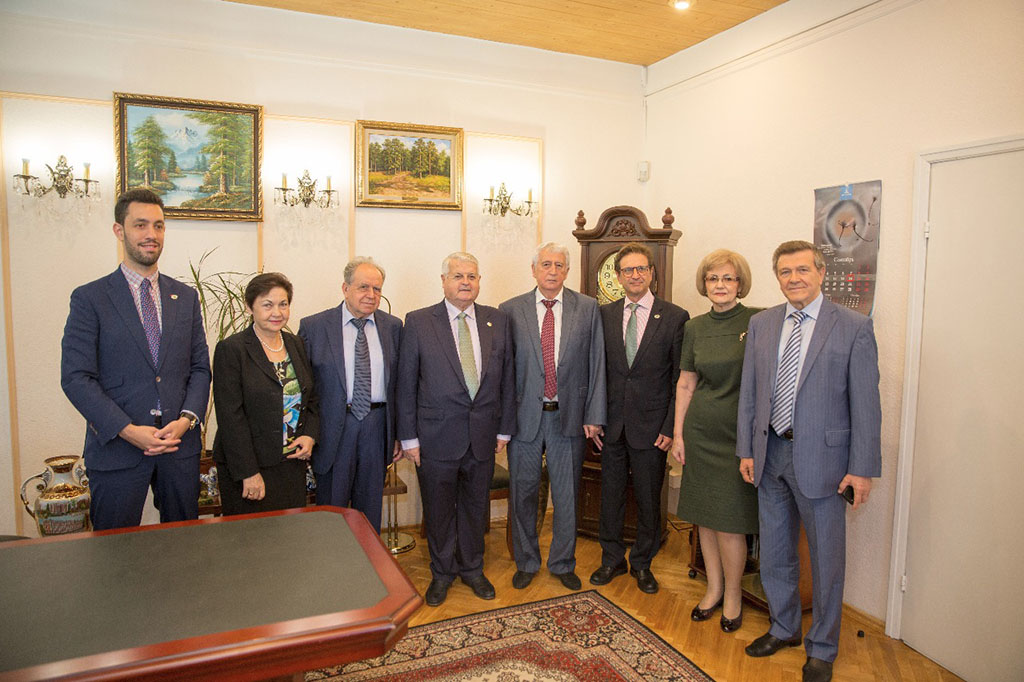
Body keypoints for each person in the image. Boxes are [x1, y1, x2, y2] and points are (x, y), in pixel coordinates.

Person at [736, 240, 881, 682]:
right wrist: (746, 449)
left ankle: (822, 648)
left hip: (825, 463)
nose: (794, 278)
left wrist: (862, 469)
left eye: (802, 270)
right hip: (770, 455)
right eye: (785, 272)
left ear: (821, 273)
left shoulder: (853, 327)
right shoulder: (762, 323)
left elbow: (866, 405)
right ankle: (784, 628)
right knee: (775, 552)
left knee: (826, 561)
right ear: (777, 278)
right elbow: (750, 393)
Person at [60, 188, 210, 530]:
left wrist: (186, 420)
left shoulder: (185, 297)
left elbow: (200, 368)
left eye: (158, 226)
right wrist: (127, 431)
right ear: (119, 230)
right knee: (115, 551)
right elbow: (76, 377)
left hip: (178, 447)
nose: (151, 234)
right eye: (140, 225)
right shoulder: (90, 298)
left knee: (185, 547)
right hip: (117, 450)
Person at [396, 252, 515, 607]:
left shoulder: (497, 320)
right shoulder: (419, 321)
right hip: (435, 437)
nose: (466, 282)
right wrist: (409, 437)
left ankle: (473, 569)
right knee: (439, 510)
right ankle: (442, 573)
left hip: (483, 436)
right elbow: (406, 384)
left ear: (479, 281)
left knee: (475, 508)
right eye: (459, 276)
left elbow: (507, 378)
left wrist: (504, 430)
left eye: (472, 276)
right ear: (444, 280)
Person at [499, 242, 606, 591]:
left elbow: (597, 364)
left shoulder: (587, 308)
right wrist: (502, 423)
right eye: (546, 264)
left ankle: (562, 562)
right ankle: (526, 562)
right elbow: (504, 371)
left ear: (567, 271)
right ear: (533, 269)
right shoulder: (510, 310)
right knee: (523, 494)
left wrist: (594, 415)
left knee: (566, 496)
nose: (552, 271)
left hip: (569, 418)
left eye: (559, 265)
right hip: (524, 419)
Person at [590, 243, 687, 594]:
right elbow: (595, 371)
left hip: (652, 429)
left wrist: (669, 428)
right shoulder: (603, 315)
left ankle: (643, 563)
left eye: (641, 269)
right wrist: (594, 417)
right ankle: (612, 559)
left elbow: (679, 379)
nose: (635, 275)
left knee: (648, 501)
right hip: (611, 426)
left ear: (651, 273)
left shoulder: (674, 317)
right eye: (628, 270)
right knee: (610, 498)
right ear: (618, 276)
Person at [671, 249, 759, 630]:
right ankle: (714, 589)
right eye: (713, 278)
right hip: (701, 433)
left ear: (740, 283)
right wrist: (678, 433)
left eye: (727, 278)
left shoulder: (757, 321)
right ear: (704, 284)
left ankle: (734, 596)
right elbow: (686, 383)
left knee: (730, 522)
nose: (720, 285)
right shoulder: (694, 328)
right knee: (704, 519)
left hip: (738, 438)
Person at [298, 257, 401, 533]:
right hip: (333, 428)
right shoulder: (314, 327)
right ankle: (331, 560)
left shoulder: (393, 327)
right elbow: (304, 389)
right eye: (363, 287)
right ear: (345, 288)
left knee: (370, 512)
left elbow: (400, 385)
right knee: (332, 513)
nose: (371, 295)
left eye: (377, 289)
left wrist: (399, 434)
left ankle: (368, 560)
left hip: (376, 426)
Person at [212, 273, 319, 515]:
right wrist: (248, 473)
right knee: (251, 536)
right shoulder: (232, 349)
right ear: (249, 307)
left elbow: (311, 398)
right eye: (267, 305)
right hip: (249, 468)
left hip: (291, 464)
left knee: (289, 533)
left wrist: (310, 435)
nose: (277, 312)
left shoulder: (296, 344)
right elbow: (230, 417)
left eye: (283, 304)